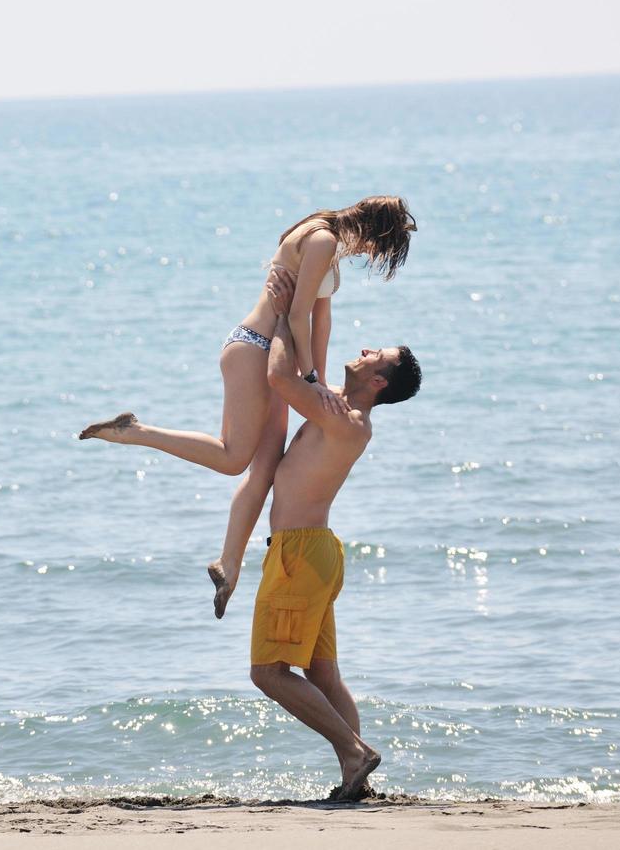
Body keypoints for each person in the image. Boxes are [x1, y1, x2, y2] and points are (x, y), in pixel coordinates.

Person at [79, 196, 416, 617]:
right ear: (375, 231)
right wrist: (310, 380)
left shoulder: (326, 243)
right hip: (257, 348)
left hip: (270, 353)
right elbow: (295, 318)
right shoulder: (322, 239)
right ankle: (135, 431)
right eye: (379, 247)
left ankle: (228, 566)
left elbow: (320, 320)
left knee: (265, 469)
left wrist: (319, 383)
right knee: (233, 457)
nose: (371, 254)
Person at [249, 266, 422, 801]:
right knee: (323, 673)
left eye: (377, 356)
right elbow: (301, 371)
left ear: (379, 383)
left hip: (301, 555)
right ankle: (358, 772)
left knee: (269, 672)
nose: (366, 349)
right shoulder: (337, 409)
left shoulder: (345, 418)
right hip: (315, 552)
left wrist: (278, 310)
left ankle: (354, 753)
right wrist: (305, 306)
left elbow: (279, 378)